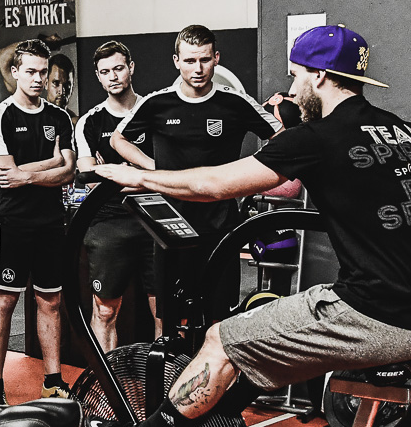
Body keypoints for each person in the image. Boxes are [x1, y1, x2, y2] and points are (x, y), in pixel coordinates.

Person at [88, 25, 411, 427]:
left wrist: (135, 176)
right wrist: (376, 225)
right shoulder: (407, 132)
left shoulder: (315, 138)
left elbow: (210, 186)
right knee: (254, 352)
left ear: (319, 76)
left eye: (295, 76)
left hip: (369, 314)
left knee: (220, 337)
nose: (290, 88)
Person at [108, 25, 284, 317]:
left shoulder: (235, 102)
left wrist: (249, 175)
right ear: (176, 61)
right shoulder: (157, 103)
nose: (198, 68)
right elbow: (118, 139)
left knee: (219, 316)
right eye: (190, 61)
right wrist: (154, 168)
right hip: (170, 223)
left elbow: (282, 140)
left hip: (221, 224)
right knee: (170, 316)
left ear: (216, 58)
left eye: (204, 59)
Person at [0, 39, 76, 405]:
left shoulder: (59, 117)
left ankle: (52, 381)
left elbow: (69, 171)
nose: (38, 79)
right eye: (32, 72)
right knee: (5, 302)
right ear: (16, 72)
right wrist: (48, 165)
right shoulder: (1, 115)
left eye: (43, 73)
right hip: (14, 223)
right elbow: (5, 173)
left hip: (51, 222)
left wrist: (29, 175)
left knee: (50, 302)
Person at [74, 41, 159, 351]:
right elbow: (87, 176)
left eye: (118, 68)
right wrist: (145, 177)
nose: (113, 76)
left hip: (155, 218)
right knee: (105, 310)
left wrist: (113, 170)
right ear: (98, 77)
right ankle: (107, 388)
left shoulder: (155, 111)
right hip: (109, 222)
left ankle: (165, 390)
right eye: (105, 71)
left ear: (131, 68)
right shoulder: (90, 122)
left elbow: (169, 171)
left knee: (161, 311)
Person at [46, 51, 79, 121]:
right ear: (46, 83)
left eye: (67, 85)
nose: (61, 91)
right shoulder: (33, 119)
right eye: (56, 83)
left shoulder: (76, 124)